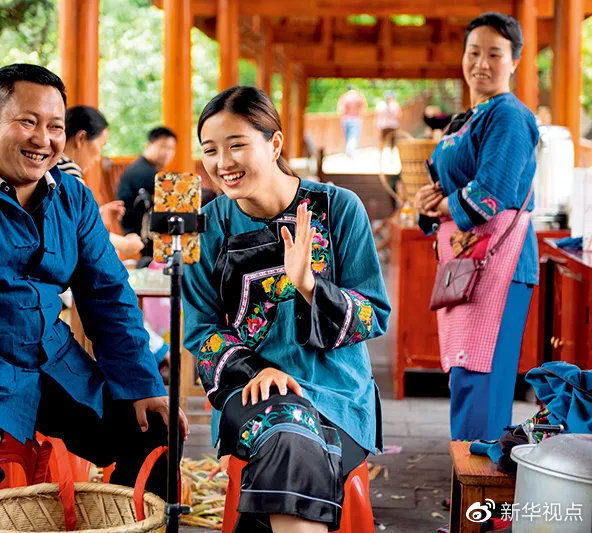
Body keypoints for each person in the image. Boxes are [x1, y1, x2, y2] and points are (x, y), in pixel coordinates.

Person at [0, 64, 188, 533]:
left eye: (55, 126)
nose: (43, 139)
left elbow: (108, 296)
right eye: (27, 121)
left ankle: (121, 525)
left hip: (50, 362)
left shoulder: (73, 198)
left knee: (157, 433)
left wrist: (143, 385)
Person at [183, 86, 390, 532]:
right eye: (210, 150)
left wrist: (311, 287)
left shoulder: (338, 209)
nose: (223, 163)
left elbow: (374, 313)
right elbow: (200, 331)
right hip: (250, 391)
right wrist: (256, 371)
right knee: (287, 435)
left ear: (274, 143)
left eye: (237, 145)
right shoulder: (208, 225)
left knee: (294, 440)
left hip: (337, 396)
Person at [414, 12, 539, 441]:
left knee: (482, 376)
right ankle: (468, 474)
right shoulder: (467, 118)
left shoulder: (509, 116)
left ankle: (480, 480)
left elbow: (491, 193)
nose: (481, 63)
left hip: (499, 262)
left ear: (514, 62)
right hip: (467, 260)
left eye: (494, 54)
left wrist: (442, 203)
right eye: (473, 52)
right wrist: (427, 204)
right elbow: (446, 188)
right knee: (465, 373)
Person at [58, 105, 144, 257]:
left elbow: (67, 217)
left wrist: (98, 213)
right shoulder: (68, 172)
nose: (98, 157)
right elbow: (79, 232)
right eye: (100, 146)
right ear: (81, 138)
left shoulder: (54, 166)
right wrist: (125, 244)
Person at [116, 126, 177, 261]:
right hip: (139, 236)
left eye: (171, 148)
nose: (167, 152)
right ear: (148, 145)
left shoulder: (146, 168)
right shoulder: (143, 172)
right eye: (163, 146)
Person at [336, 84, 366, 158]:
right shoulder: (358, 96)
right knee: (353, 136)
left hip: (345, 119)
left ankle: (348, 151)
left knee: (348, 136)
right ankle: (351, 152)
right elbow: (363, 107)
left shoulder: (344, 97)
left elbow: (340, 109)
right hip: (355, 119)